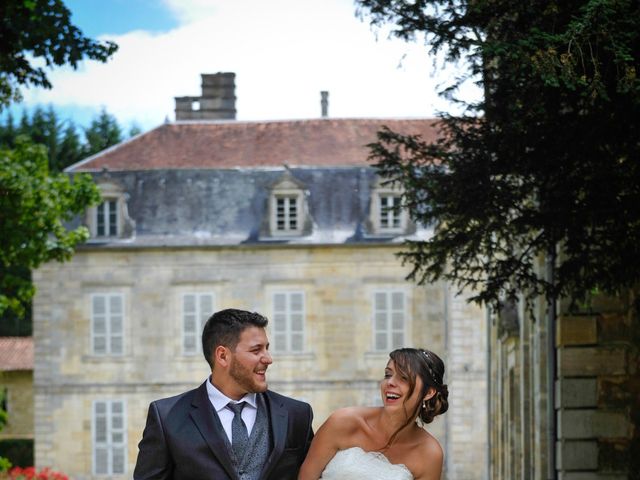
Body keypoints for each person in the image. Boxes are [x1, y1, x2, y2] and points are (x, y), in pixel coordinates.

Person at [133, 308, 314, 480]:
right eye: (256, 350)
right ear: (222, 356)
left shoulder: (297, 414)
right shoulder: (167, 417)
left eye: (267, 348)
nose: (268, 359)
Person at [298, 348, 449, 480]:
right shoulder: (344, 421)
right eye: (388, 375)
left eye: (404, 378)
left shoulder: (430, 453)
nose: (390, 382)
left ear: (429, 392)